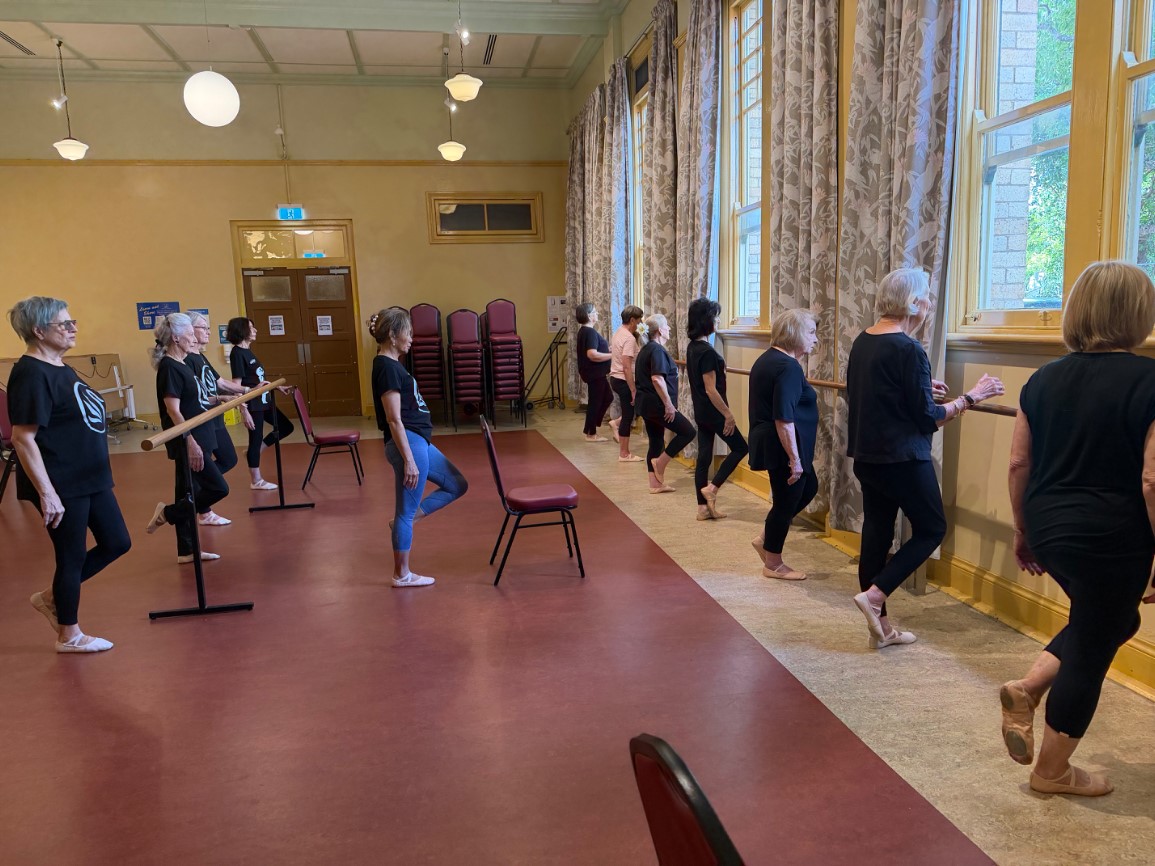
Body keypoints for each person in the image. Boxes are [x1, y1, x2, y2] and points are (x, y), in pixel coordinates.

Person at [1001, 261, 1155, 797]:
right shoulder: (1150, 380)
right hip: (1112, 534)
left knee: (1111, 620)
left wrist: (1023, 530)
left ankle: (1028, 689)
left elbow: (1019, 464)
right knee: (1093, 647)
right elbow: (1152, 480)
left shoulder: (1040, 380)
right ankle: (1052, 772)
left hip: (1049, 526)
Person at [847, 268, 1004, 649]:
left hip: (868, 456)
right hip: (903, 459)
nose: (930, 304)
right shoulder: (908, 348)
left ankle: (882, 630)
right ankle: (875, 595)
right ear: (914, 303)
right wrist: (971, 397)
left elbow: (877, 391)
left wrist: (919, 386)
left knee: (876, 534)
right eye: (927, 298)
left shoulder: (863, 341)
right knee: (932, 528)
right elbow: (928, 418)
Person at [7, 297, 130, 652]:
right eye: (64, 324)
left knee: (117, 542)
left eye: (72, 321)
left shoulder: (59, 366)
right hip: (62, 481)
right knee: (71, 556)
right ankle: (69, 635)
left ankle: (51, 597)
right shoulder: (31, 373)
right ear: (38, 331)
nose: (73, 328)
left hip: (90, 475)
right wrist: (47, 493)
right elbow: (22, 437)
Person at [371, 307, 468, 588]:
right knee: (405, 511)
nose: (412, 338)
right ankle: (401, 574)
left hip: (419, 441)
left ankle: (404, 524)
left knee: (457, 484)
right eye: (408, 333)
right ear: (393, 334)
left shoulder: (392, 364)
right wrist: (409, 460)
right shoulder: (386, 367)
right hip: (409, 444)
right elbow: (393, 419)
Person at [144, 313, 230, 563]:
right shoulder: (169, 367)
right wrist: (190, 441)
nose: (194, 338)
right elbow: (174, 410)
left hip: (200, 435)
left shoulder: (182, 364)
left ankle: (187, 550)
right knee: (218, 488)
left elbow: (195, 400)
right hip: (190, 440)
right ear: (176, 338)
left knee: (186, 493)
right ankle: (168, 513)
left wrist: (220, 398)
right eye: (190, 334)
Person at [747, 308, 820, 579]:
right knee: (785, 502)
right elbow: (783, 418)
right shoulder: (787, 367)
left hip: (774, 442)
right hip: (782, 445)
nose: (815, 339)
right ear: (794, 333)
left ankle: (765, 539)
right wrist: (795, 459)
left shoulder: (770, 359)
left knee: (808, 487)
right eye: (811, 332)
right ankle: (773, 563)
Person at [686, 298, 748, 520]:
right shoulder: (707, 352)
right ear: (707, 321)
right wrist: (728, 414)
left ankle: (702, 509)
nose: (718, 320)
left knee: (704, 457)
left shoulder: (693, 347)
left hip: (701, 411)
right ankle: (712, 489)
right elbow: (711, 389)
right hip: (714, 412)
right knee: (741, 447)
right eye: (716, 316)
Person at [184, 310, 243, 527]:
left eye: (208, 328)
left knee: (229, 459)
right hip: (201, 420)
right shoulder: (186, 360)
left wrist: (248, 389)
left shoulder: (201, 356)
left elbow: (219, 382)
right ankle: (204, 511)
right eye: (203, 328)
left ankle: (195, 491)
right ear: (190, 330)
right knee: (202, 468)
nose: (208, 332)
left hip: (215, 417)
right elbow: (196, 395)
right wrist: (221, 397)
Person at [225, 317, 294, 491]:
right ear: (242, 331)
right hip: (253, 404)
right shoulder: (237, 353)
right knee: (255, 440)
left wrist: (275, 387)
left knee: (286, 427)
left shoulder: (248, 351)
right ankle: (256, 480)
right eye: (251, 328)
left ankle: (254, 452)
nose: (255, 330)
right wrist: (243, 410)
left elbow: (256, 380)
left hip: (264, 400)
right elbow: (236, 385)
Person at [634, 313, 696, 493]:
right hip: (658, 405)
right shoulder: (657, 350)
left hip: (646, 405)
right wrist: (669, 405)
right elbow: (657, 379)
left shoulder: (646, 349)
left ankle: (655, 485)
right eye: (667, 326)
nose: (669, 328)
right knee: (688, 432)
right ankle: (660, 463)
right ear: (660, 331)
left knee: (655, 442)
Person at [610, 305, 645, 462]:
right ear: (632, 320)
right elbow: (626, 366)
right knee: (628, 416)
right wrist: (633, 389)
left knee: (628, 414)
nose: (639, 324)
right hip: (623, 380)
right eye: (638, 321)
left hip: (616, 378)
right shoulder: (629, 339)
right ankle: (624, 453)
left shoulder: (619, 332)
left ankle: (623, 449)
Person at [575, 303, 614, 443]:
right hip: (594, 373)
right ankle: (591, 433)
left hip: (594, 373)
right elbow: (592, 354)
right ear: (589, 315)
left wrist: (607, 350)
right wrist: (613, 355)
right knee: (595, 402)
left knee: (607, 397)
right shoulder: (589, 332)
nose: (597, 314)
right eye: (595, 312)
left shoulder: (584, 331)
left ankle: (591, 428)